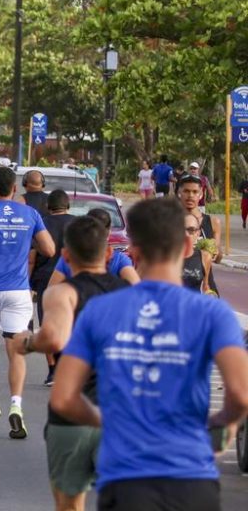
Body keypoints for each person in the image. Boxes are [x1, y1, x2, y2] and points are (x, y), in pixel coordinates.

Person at [50, 198, 248, 511]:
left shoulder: (101, 311)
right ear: (186, 246)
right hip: (192, 478)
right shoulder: (213, 313)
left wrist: (104, 419)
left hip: (125, 476)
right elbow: (241, 394)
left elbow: (62, 398)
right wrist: (218, 427)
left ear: (132, 251)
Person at [11, 215, 129, 511]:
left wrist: (25, 342)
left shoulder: (62, 293)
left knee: (69, 505)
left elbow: (53, 338)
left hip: (72, 417)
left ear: (65, 255)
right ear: (109, 253)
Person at [0, 166, 55, 438]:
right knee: (16, 349)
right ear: (15, 189)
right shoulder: (30, 214)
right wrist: (27, 244)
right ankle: (16, 406)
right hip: (18, 290)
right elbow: (50, 249)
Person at [29, 189, 75, 387]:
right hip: (74, 281)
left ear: (48, 206)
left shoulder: (42, 224)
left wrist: (28, 283)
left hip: (45, 280)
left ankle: (52, 371)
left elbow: (32, 258)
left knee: (48, 323)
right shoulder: (78, 224)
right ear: (68, 206)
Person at [48, 209, 140, 287]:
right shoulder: (119, 259)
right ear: (108, 232)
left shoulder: (68, 258)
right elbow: (137, 289)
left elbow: (51, 289)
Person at [176, 174, 222, 293]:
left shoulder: (213, 222)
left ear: (201, 194)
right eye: (186, 191)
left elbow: (218, 259)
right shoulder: (170, 222)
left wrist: (217, 252)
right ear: (179, 193)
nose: (190, 196)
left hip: (205, 286)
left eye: (195, 192)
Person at [181, 213, 213, 293]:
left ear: (198, 233)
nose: (186, 234)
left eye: (191, 230)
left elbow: (205, 287)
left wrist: (210, 295)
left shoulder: (205, 257)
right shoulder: (166, 258)